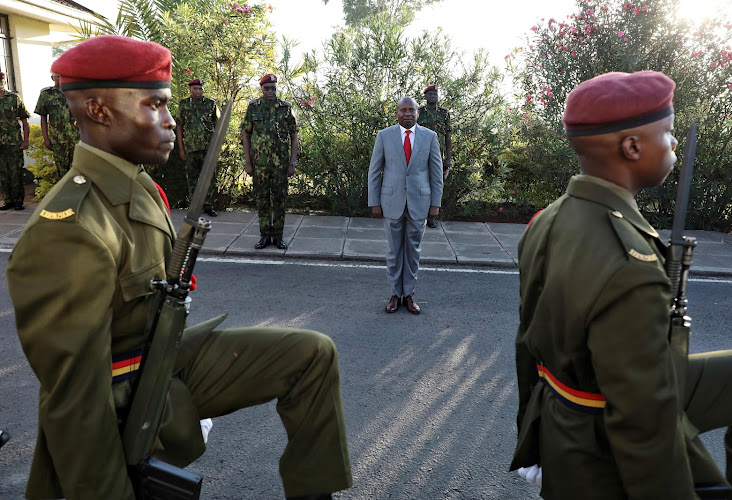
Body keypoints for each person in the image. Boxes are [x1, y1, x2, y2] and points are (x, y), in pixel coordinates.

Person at [7, 35, 351, 500]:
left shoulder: (137, 184)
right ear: (99, 111)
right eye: (155, 106)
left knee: (312, 354)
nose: (171, 122)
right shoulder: (70, 227)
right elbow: (76, 402)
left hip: (160, 353)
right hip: (122, 385)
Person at [510, 70, 732, 499]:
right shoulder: (628, 263)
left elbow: (527, 343)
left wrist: (532, 432)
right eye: (668, 132)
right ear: (632, 147)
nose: (674, 143)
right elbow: (643, 420)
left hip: (579, 398)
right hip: (604, 417)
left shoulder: (546, 220)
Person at [368, 96, 443, 314]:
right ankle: (394, 294)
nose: (407, 114)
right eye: (403, 110)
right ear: (397, 113)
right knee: (393, 251)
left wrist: (435, 204)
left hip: (420, 203)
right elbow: (375, 171)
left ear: (417, 113)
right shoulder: (384, 136)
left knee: (413, 252)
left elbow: (436, 174)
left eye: (411, 110)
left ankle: (409, 294)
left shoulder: (430, 137)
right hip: (391, 202)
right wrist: (374, 201)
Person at [241, 73, 298, 250]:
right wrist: (248, 162)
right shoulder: (253, 108)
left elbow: (294, 135)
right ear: (262, 89)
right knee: (262, 200)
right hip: (260, 164)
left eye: (273, 88)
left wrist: (292, 162)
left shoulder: (285, 108)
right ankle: (265, 236)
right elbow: (246, 135)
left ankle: (278, 237)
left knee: (280, 200)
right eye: (267, 88)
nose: (270, 91)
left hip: (280, 165)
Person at [175, 77, 219, 217]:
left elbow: (217, 125)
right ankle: (194, 206)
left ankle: (208, 206)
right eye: (195, 89)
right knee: (192, 178)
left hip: (208, 148)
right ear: (190, 89)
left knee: (209, 177)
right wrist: (181, 149)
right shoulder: (183, 105)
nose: (198, 91)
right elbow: (179, 126)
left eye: (200, 88)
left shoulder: (211, 104)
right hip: (191, 148)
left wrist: (216, 147)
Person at [417, 84, 451, 229]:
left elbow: (448, 136)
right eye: (430, 94)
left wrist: (448, 157)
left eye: (435, 94)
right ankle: (419, 214)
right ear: (426, 96)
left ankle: (431, 217)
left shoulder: (444, 113)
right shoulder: (419, 112)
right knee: (420, 184)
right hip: (420, 154)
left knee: (436, 185)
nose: (433, 97)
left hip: (438, 154)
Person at [34, 73, 79, 178]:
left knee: (78, 171)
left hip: (76, 139)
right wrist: (46, 138)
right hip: (58, 141)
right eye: (57, 76)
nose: (60, 78)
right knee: (62, 173)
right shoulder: (46, 94)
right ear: (52, 78)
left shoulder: (76, 93)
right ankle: (65, 194)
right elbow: (43, 117)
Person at [0, 71, 29, 210]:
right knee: (3, 173)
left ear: (4, 81)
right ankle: (8, 200)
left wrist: (26, 140)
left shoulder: (13, 98)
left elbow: (24, 119)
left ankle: (18, 201)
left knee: (16, 171)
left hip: (14, 142)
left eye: (1, 81)